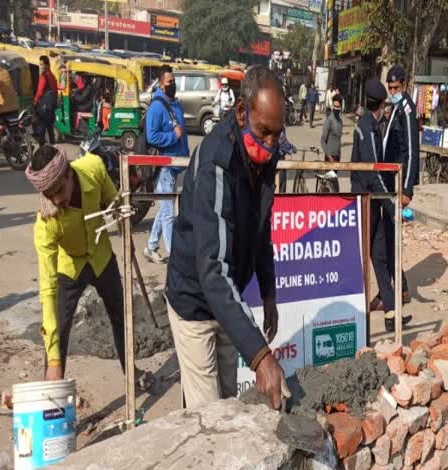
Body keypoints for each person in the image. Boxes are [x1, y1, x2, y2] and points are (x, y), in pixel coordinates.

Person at [165, 65, 288, 410]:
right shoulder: (215, 165)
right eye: (264, 132)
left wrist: (268, 294)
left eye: (277, 135)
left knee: (229, 403)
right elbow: (212, 268)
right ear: (240, 111)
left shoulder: (266, 157)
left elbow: (261, 229)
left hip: (226, 299)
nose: (270, 145)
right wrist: (261, 355)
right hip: (194, 299)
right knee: (209, 418)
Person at [26, 145, 150, 386]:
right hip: (70, 267)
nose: (58, 200)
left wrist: (127, 236)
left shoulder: (93, 168)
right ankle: (53, 388)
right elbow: (48, 290)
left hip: (101, 257)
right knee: (59, 329)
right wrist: (53, 362)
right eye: (50, 195)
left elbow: (116, 203)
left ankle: (131, 372)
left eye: (60, 190)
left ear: (69, 173)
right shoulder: (46, 223)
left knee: (120, 314)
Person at [352, 79, 412, 332]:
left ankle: (390, 312)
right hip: (366, 202)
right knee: (362, 259)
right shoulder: (366, 128)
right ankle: (353, 315)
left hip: (373, 201)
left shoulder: (372, 125)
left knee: (379, 257)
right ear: (382, 104)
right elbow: (373, 174)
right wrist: (392, 205)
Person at [375, 64, 418, 311]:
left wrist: (408, 190)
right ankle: (394, 288)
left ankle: (398, 289)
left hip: (398, 184)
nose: (393, 91)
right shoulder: (394, 109)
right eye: (390, 88)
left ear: (404, 84)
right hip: (388, 181)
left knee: (390, 238)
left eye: (396, 87)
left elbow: (412, 152)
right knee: (386, 238)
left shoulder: (407, 111)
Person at [143, 65, 189, 264]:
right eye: (169, 82)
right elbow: (151, 136)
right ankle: (174, 256)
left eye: (173, 81)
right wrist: (172, 136)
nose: (173, 85)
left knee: (165, 210)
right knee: (169, 212)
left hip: (177, 164)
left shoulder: (177, 105)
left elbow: (183, 135)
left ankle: (151, 246)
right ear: (161, 85)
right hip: (163, 166)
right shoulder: (156, 107)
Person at [34, 55, 58, 144]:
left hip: (44, 107)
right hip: (51, 107)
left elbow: (40, 91)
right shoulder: (52, 76)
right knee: (50, 129)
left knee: (42, 130)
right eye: (40, 64)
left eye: (42, 64)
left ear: (47, 65)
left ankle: (42, 150)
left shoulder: (43, 76)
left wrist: (35, 100)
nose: (41, 66)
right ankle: (53, 148)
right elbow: (55, 91)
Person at [321, 94, 343, 163]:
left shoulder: (340, 121)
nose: (336, 109)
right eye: (334, 106)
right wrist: (329, 157)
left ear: (341, 107)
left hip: (337, 157)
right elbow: (322, 141)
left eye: (338, 107)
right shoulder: (329, 121)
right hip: (329, 158)